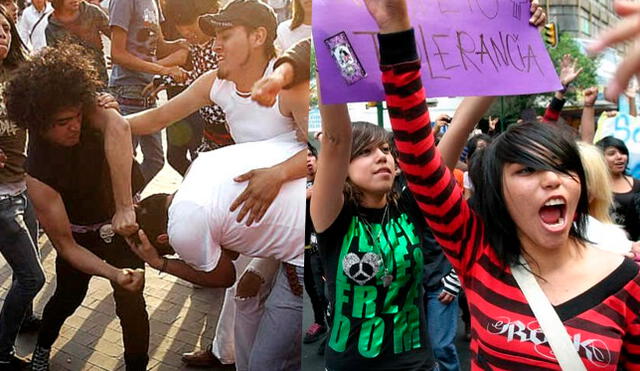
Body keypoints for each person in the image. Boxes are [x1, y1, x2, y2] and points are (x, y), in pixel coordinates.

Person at [360, 0, 640, 368]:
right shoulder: (478, 252)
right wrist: (395, 28)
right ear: (498, 192)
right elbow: (419, 159)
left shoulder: (628, 281)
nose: (552, 179)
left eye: (563, 169)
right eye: (526, 171)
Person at [4, 44, 149, 371]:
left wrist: (125, 207)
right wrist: (113, 273)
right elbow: (67, 247)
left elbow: (120, 126)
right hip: (81, 236)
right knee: (67, 298)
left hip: (121, 226)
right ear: (39, 123)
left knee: (132, 304)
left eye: (78, 116)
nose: (75, 126)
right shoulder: (38, 172)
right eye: (63, 122)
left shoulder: (93, 113)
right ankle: (43, 346)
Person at [128, 135, 305, 371]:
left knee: (267, 364)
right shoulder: (198, 168)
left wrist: (159, 263)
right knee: (246, 290)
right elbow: (230, 253)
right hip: (310, 195)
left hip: (309, 247)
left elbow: (224, 277)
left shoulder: (181, 228)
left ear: (164, 238)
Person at [128, 0, 309, 226]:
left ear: (258, 37)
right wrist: (101, 116)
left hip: (302, 210)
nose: (215, 46)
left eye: (226, 36)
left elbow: (328, 149)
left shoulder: (287, 84)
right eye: (215, 37)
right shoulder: (216, 82)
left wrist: (279, 173)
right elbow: (158, 118)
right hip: (258, 207)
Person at [0, 7, 44, 369]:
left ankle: (25, 318)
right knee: (32, 276)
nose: (1, 33)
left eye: (5, 27)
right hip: (1, 198)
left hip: (23, 185)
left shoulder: (20, 71)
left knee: (28, 271)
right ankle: (1, 352)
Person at [108, 0, 188, 185]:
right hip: (127, 88)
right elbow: (117, 53)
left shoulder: (153, 2)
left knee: (155, 160)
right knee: (126, 161)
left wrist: (180, 44)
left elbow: (156, 45)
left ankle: (127, 200)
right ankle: (119, 205)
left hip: (147, 89)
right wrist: (164, 70)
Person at [45, 0, 111, 84]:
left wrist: (118, 56)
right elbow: (56, 62)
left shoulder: (92, 12)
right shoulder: (52, 28)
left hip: (100, 78)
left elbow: (115, 35)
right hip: (73, 84)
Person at [303, 143, 328, 345]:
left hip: (327, 248)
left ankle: (334, 329)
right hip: (306, 249)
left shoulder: (328, 181)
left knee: (330, 292)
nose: (308, 160)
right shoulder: (295, 187)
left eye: (311, 155)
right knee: (314, 290)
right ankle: (320, 323)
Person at [595, 136, 640, 241]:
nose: (620, 157)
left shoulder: (637, 185)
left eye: (623, 153)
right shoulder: (593, 187)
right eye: (611, 153)